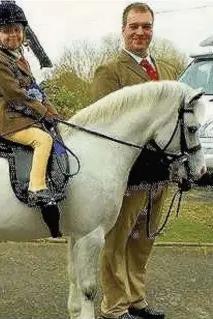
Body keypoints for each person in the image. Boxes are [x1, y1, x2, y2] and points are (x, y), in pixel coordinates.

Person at [90, 3, 179, 319]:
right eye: (134, 26)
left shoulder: (168, 70)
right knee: (117, 241)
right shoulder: (110, 72)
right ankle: (113, 308)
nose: (141, 32)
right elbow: (103, 125)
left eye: (146, 26)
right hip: (129, 175)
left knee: (143, 241)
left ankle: (136, 300)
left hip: (161, 174)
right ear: (123, 30)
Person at [0, 2, 60, 207]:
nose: (13, 35)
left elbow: (35, 90)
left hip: (21, 116)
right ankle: (36, 188)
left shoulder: (21, 59)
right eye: (6, 31)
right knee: (43, 140)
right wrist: (43, 114)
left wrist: (54, 114)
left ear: (23, 32)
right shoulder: (0, 63)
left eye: (17, 30)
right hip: (8, 119)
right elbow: (16, 96)